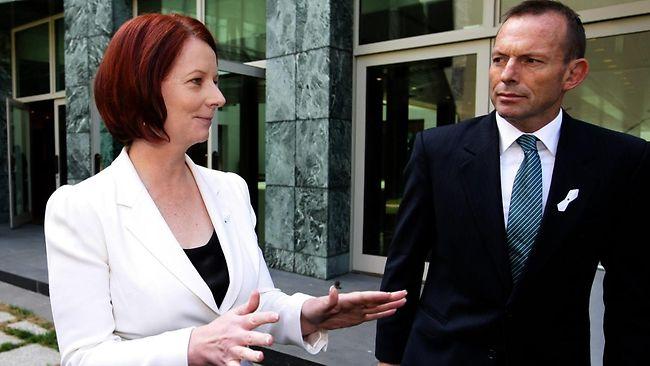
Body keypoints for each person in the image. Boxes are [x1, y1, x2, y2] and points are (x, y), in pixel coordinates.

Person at [44, 13, 406, 366]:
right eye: (197, 81)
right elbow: (84, 356)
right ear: (143, 88)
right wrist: (191, 347)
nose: (218, 97)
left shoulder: (230, 189)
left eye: (215, 80)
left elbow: (256, 302)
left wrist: (306, 314)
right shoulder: (81, 208)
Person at [375, 1, 650, 365]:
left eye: (531, 61)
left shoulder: (620, 160)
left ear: (573, 74)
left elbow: (632, 291)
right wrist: (388, 357)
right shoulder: (437, 150)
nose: (507, 74)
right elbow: (403, 266)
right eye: (499, 59)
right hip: (442, 354)